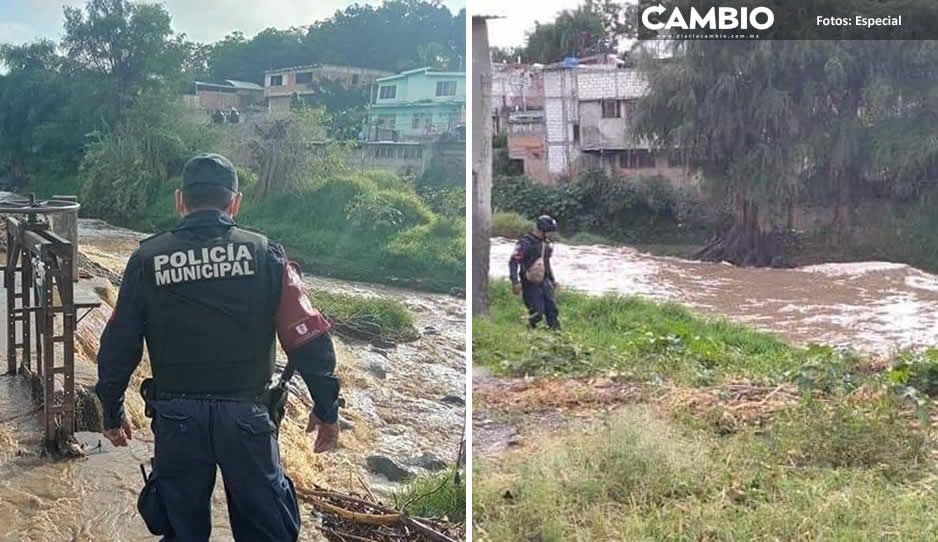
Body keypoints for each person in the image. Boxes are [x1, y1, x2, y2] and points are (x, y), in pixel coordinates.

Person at [95, 153, 340, 542]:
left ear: (180, 200)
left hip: (176, 420)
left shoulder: (146, 260)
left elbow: (119, 343)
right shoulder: (266, 255)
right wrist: (327, 408)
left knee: (180, 532)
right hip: (248, 418)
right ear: (235, 202)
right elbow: (307, 336)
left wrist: (111, 408)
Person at [509, 215, 560, 330]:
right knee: (537, 312)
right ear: (542, 230)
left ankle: (557, 335)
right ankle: (531, 334)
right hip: (529, 282)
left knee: (552, 309)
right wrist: (515, 281)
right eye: (549, 232)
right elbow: (513, 262)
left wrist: (553, 280)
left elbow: (546, 264)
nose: (551, 235)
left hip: (545, 281)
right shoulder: (525, 242)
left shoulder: (546, 244)